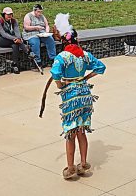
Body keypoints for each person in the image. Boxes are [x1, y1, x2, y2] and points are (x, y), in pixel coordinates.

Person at [49, 25, 106, 180]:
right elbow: (101, 67)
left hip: (71, 97)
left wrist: (60, 85)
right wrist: (86, 78)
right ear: (77, 39)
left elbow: (55, 73)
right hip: (85, 94)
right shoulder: (84, 55)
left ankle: (70, 167)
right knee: (81, 131)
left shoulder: (62, 57)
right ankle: (83, 163)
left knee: (70, 132)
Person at [0, 7, 32, 74]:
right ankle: (28, 52)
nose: (9, 16)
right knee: (16, 42)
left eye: (11, 14)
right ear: (4, 14)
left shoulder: (14, 21)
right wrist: (15, 39)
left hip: (13, 39)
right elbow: (3, 34)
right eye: (8, 14)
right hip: (2, 40)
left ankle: (15, 65)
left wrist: (18, 38)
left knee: (15, 45)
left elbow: (17, 31)